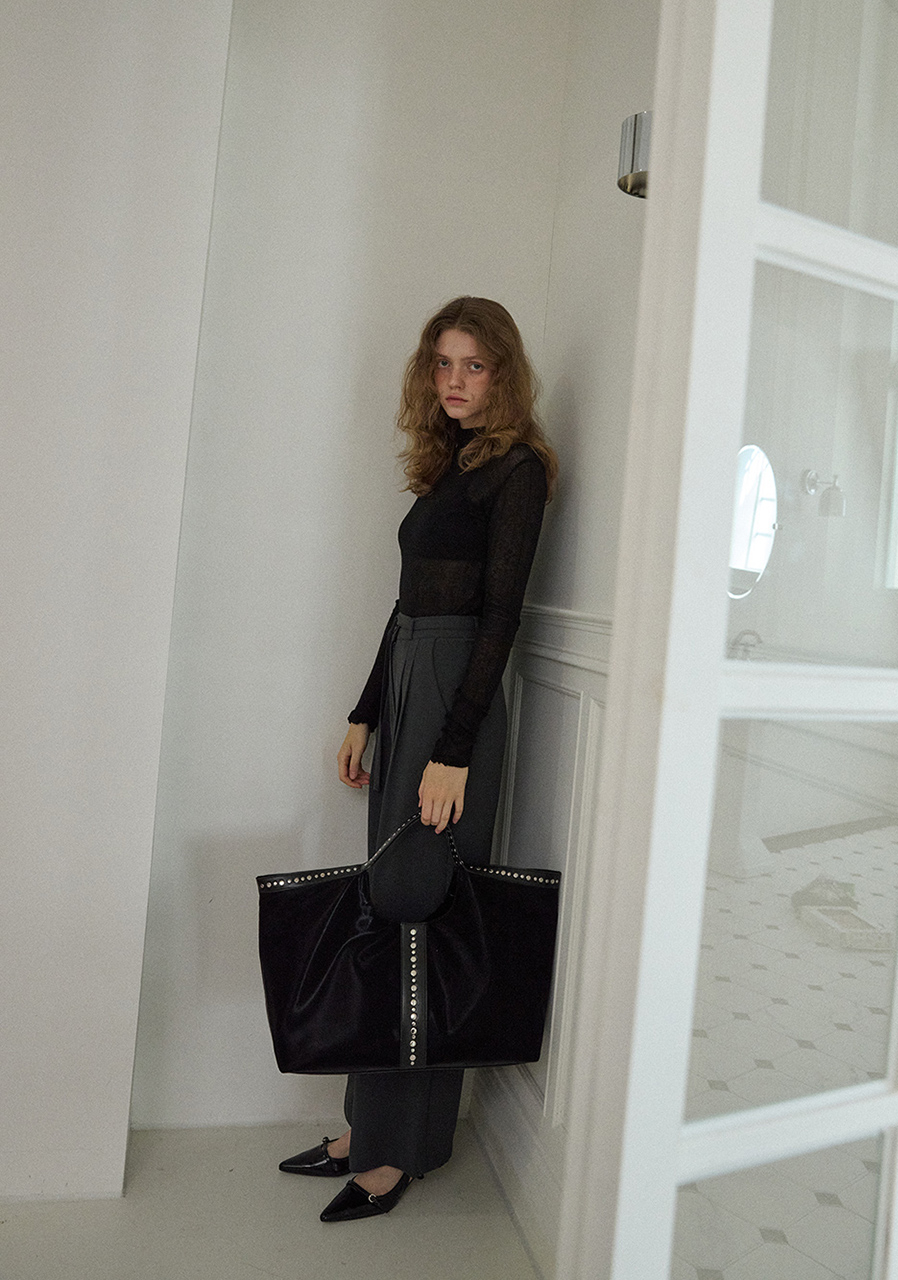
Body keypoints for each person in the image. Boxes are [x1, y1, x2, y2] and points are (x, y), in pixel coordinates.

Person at [279, 296, 558, 1223]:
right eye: (443, 363)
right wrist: (366, 712)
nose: (454, 380)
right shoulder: (449, 467)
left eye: (474, 365)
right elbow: (408, 606)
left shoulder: (518, 471)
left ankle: (399, 1153)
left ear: (504, 372)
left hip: (452, 707)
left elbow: (500, 619)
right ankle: (368, 1127)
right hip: (409, 687)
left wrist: (453, 750)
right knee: (386, 910)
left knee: (422, 915)